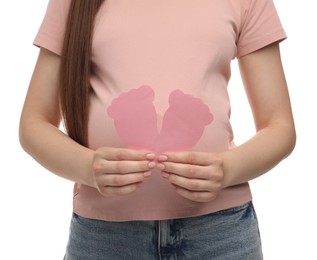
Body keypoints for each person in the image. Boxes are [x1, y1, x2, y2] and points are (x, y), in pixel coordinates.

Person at [19, 0, 296, 259]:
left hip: (219, 232)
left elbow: (280, 127)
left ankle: (159, 115)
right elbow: (34, 123)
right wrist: (88, 167)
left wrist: (227, 169)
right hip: (105, 236)